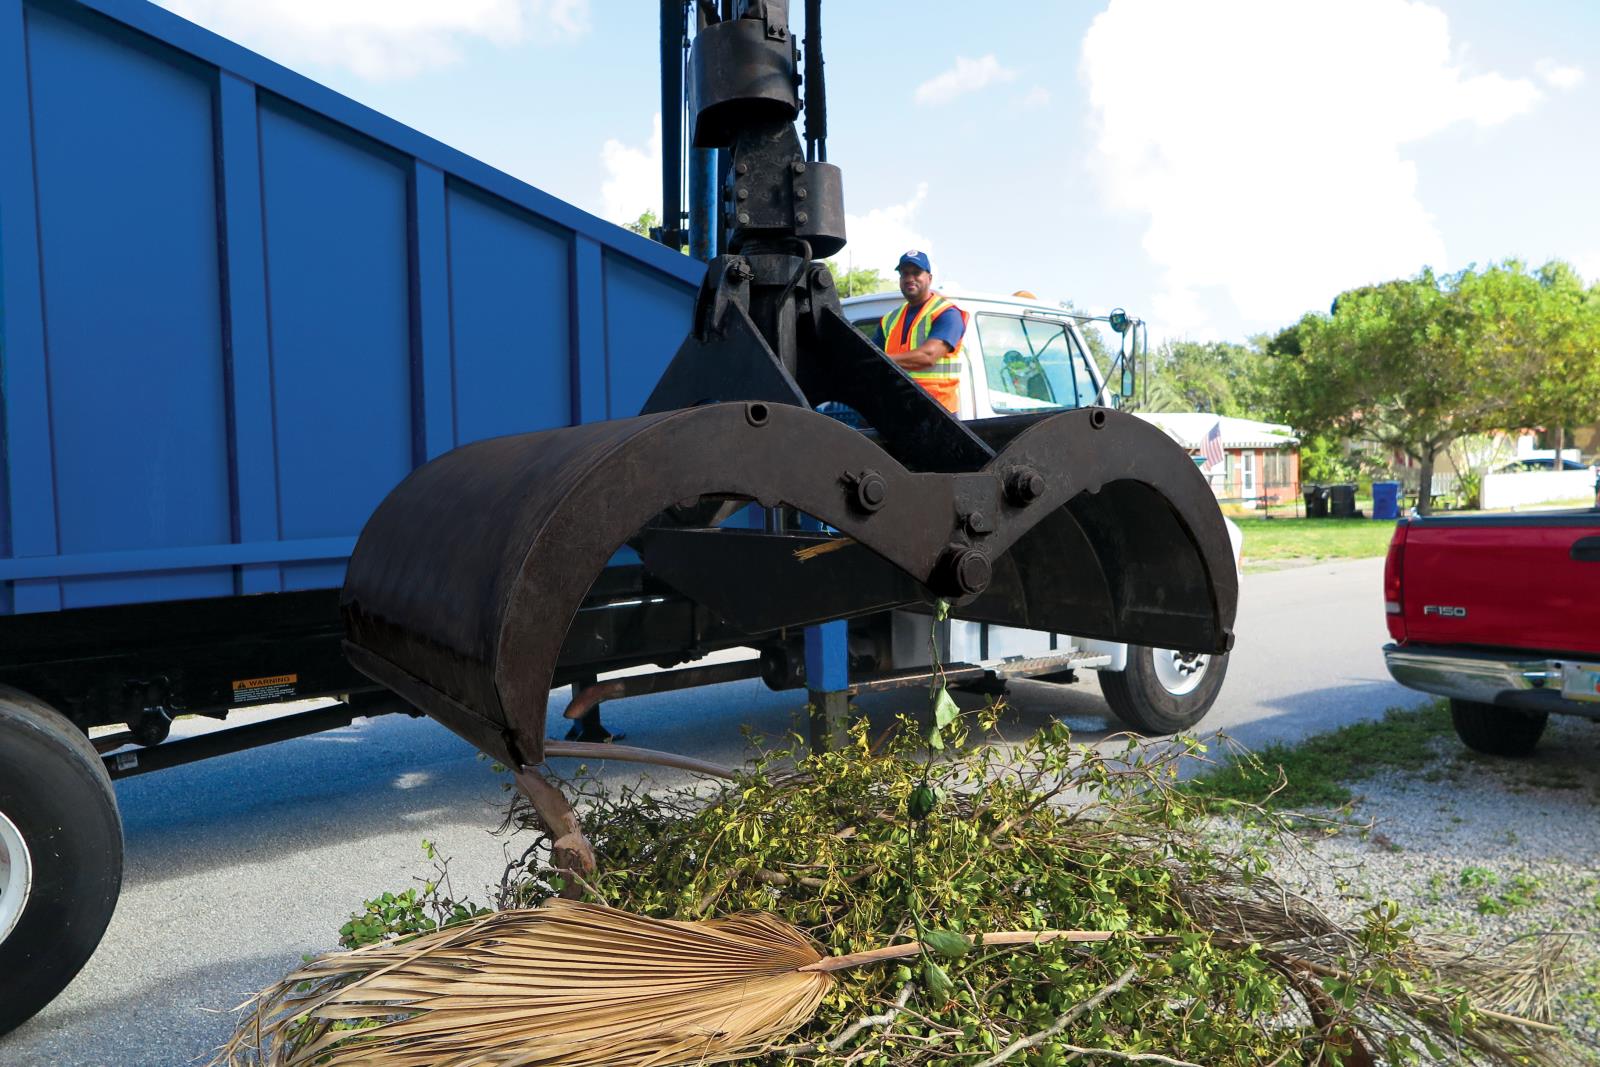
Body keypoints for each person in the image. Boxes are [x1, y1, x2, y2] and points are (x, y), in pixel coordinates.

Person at [871, 250, 968, 413]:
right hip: (898, 411)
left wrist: (878, 360)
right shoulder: (889, 319)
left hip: (938, 414)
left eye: (916, 273)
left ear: (929, 278)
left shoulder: (947, 313)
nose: (910, 278)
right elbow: (869, 356)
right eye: (904, 274)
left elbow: (928, 356)